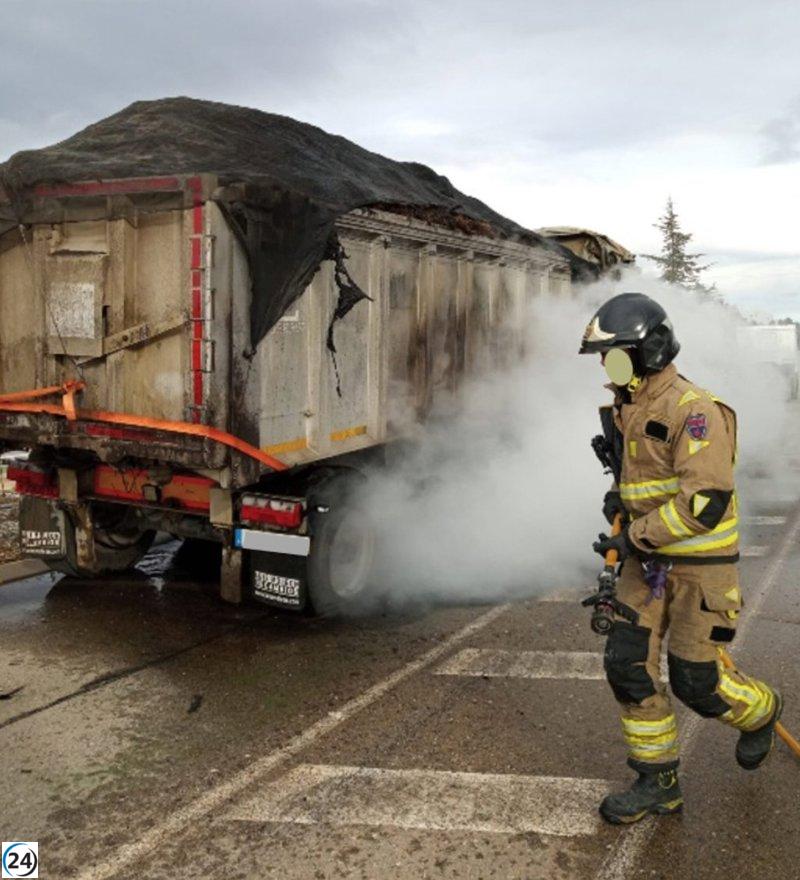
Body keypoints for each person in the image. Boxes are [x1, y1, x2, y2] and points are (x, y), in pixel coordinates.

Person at [579, 292, 783, 825]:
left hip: (700, 568)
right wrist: (620, 500)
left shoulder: (695, 411)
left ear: (647, 351)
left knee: (698, 683)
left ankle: (761, 711)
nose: (606, 367)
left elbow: (703, 502)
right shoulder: (629, 406)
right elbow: (645, 478)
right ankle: (658, 783)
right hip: (646, 566)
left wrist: (634, 536)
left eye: (613, 356)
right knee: (628, 666)